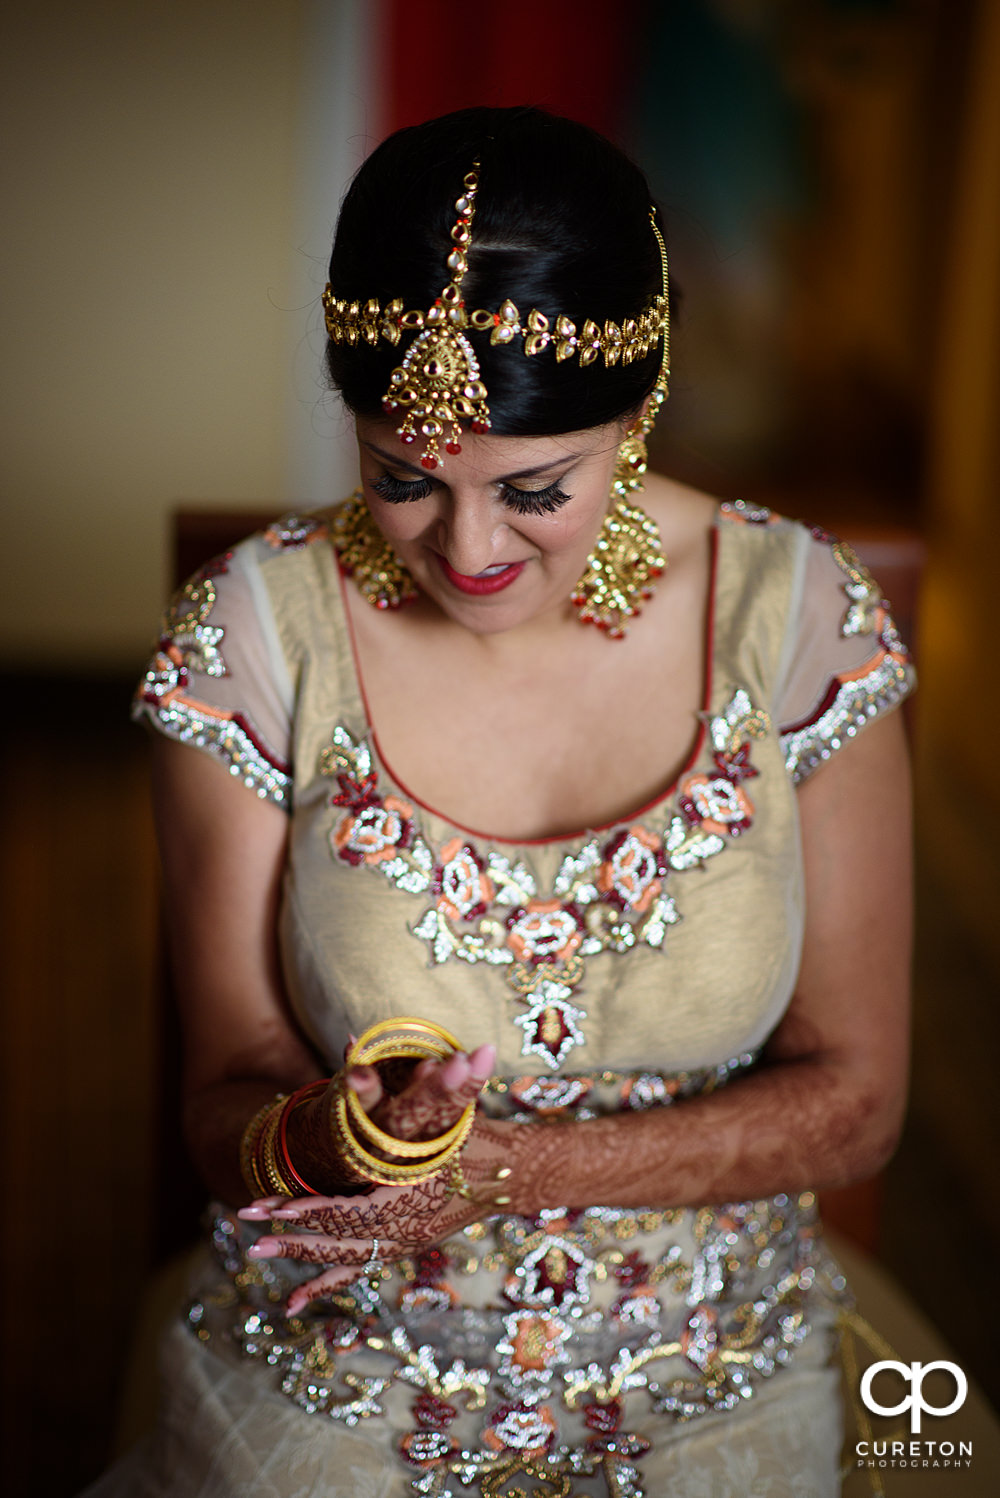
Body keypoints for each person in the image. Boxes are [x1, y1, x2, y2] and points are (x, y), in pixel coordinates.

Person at [111, 105, 915, 1497]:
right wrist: (330, 1137)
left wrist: (512, 1168)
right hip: (343, 1349)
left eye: (536, 488)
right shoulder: (256, 628)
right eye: (402, 478)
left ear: (638, 412)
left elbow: (859, 1098)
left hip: (708, 1356)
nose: (466, 549)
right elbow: (221, 1079)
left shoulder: (795, 621)